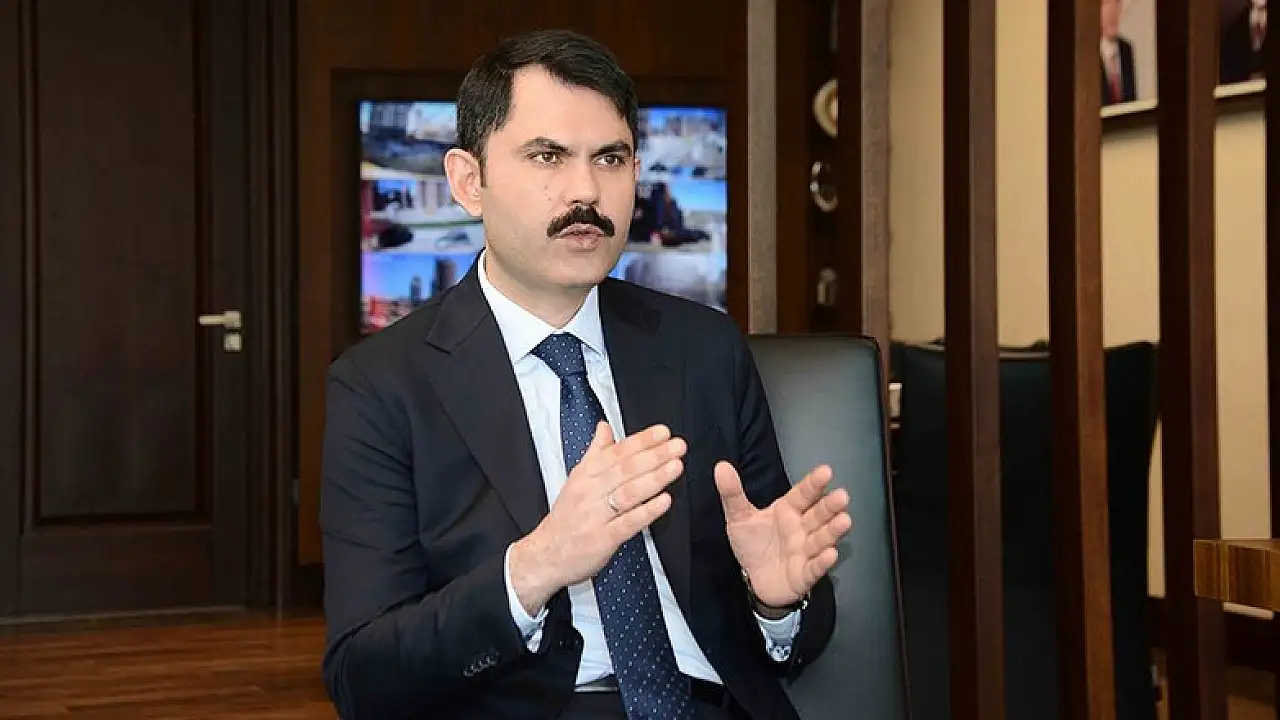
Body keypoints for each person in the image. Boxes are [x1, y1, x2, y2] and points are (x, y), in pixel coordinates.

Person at [320, 28, 851, 720]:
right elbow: (362, 676)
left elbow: (792, 596)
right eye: (547, 156)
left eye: (611, 158)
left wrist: (774, 602)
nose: (586, 191)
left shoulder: (703, 348)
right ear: (469, 182)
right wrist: (537, 565)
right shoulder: (382, 386)